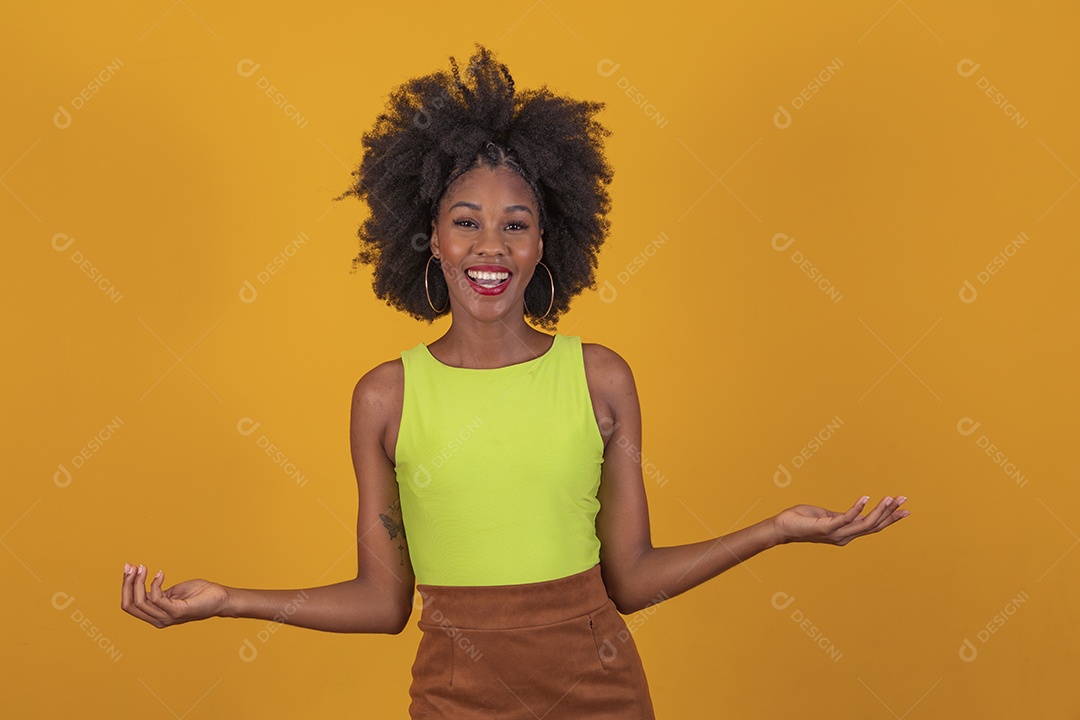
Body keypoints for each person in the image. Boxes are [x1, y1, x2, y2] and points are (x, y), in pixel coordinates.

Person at [120, 44, 910, 718]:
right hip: (452, 697)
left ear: (545, 244)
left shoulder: (601, 379)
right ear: (429, 238)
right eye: (465, 221)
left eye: (515, 224)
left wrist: (774, 530)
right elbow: (384, 601)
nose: (488, 246)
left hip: (601, 691)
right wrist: (231, 601)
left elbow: (630, 579)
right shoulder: (385, 398)